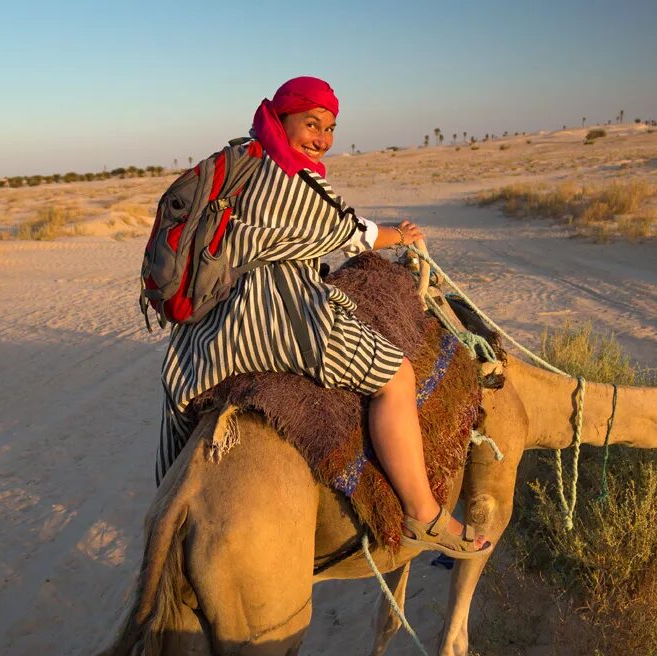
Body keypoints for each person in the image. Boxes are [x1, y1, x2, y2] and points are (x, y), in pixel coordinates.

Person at [156, 76, 489, 559]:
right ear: (282, 116)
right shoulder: (288, 175)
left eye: (329, 128)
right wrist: (399, 234)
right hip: (272, 312)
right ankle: (424, 514)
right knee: (396, 376)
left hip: (204, 331)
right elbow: (349, 232)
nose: (321, 138)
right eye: (311, 124)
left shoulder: (241, 161)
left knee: (175, 411)